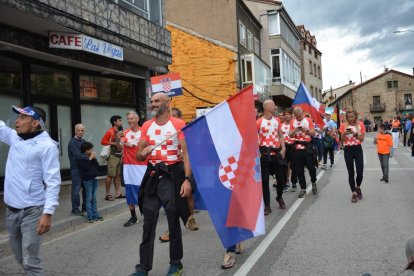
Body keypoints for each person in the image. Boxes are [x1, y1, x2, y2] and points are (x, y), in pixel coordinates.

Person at [131, 92, 192, 276]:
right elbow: (138, 155)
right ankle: (143, 267)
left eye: (157, 101)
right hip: (152, 173)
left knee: (173, 220)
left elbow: (187, 154)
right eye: (151, 101)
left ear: (168, 102)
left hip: (172, 174)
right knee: (148, 222)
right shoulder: (147, 126)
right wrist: (144, 151)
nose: (153, 104)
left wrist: (187, 179)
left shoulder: (178, 124)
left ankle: (176, 264)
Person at [1, 105, 61, 275]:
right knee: (20, 256)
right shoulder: (15, 137)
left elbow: (53, 182)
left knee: (30, 262)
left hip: (32, 211)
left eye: (22, 118)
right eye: (17, 117)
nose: (16, 121)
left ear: (35, 123)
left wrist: (47, 213)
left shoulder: (47, 146)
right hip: (11, 210)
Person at [159, 107, 199, 243]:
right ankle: (172, 228)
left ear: (180, 118)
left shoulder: (186, 131)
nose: (172, 117)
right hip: (172, 169)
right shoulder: (166, 131)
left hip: (185, 167)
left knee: (187, 195)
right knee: (173, 198)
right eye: (171, 115)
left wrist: (185, 154)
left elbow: (194, 147)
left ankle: (190, 217)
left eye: (176, 115)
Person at [257, 100, 286, 214]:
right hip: (264, 154)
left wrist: (283, 148)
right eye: (273, 105)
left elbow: (280, 135)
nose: (275, 106)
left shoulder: (277, 120)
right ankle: (267, 205)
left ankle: (279, 197)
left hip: (276, 153)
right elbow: (254, 139)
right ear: (267, 107)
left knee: (281, 180)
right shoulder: (258, 122)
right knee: (264, 181)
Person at [122, 111, 146, 227]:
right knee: (129, 190)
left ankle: (146, 212)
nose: (130, 121)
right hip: (129, 166)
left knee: (145, 190)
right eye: (128, 119)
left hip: (143, 166)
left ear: (137, 119)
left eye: (132, 118)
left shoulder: (144, 132)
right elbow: (118, 147)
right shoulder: (125, 133)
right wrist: (119, 141)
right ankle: (133, 216)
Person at [289, 107, 317, 198]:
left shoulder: (308, 120)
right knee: (299, 169)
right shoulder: (292, 122)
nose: (298, 118)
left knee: (311, 167)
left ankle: (313, 182)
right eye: (296, 117)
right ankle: (303, 189)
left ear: (303, 113)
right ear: (294, 116)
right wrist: (294, 131)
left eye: (300, 116)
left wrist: (307, 131)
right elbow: (289, 135)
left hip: (307, 147)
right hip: (297, 147)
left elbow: (313, 133)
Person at [339, 108, 366, 203]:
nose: (350, 119)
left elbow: (362, 139)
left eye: (352, 117)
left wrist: (355, 134)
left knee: (360, 172)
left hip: (358, 149)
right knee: (351, 172)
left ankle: (358, 187)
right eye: (349, 117)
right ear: (346, 117)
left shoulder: (360, 125)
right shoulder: (343, 125)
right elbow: (341, 141)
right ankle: (354, 193)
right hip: (348, 150)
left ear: (355, 117)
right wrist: (344, 134)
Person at [78, 141, 104, 223]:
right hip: (88, 180)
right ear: (86, 150)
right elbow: (85, 167)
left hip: (94, 178)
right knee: (89, 198)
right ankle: (90, 216)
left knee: (94, 198)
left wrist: (94, 159)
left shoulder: (91, 157)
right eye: (90, 149)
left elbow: (97, 166)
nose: (92, 150)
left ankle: (96, 215)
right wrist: (90, 159)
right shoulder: (81, 157)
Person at [101, 115, 125, 201]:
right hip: (112, 155)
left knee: (118, 175)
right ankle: (107, 194)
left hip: (119, 155)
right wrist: (114, 143)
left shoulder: (120, 131)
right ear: (114, 122)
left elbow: (122, 142)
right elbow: (103, 141)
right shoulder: (110, 131)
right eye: (119, 120)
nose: (121, 122)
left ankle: (118, 193)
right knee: (110, 175)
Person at [68, 123, 86, 216]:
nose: (80, 132)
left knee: (85, 188)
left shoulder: (83, 141)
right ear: (75, 131)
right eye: (78, 130)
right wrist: (89, 156)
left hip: (84, 169)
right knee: (76, 190)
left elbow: (88, 151)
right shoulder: (72, 142)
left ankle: (85, 207)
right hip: (76, 169)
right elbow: (78, 155)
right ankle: (75, 209)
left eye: (82, 130)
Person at [280, 108, 298, 192]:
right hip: (284, 147)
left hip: (293, 146)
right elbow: (279, 136)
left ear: (291, 115)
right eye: (285, 114)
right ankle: (285, 183)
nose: (286, 116)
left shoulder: (294, 124)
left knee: (293, 165)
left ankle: (294, 182)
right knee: (284, 165)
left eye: (288, 114)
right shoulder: (281, 125)